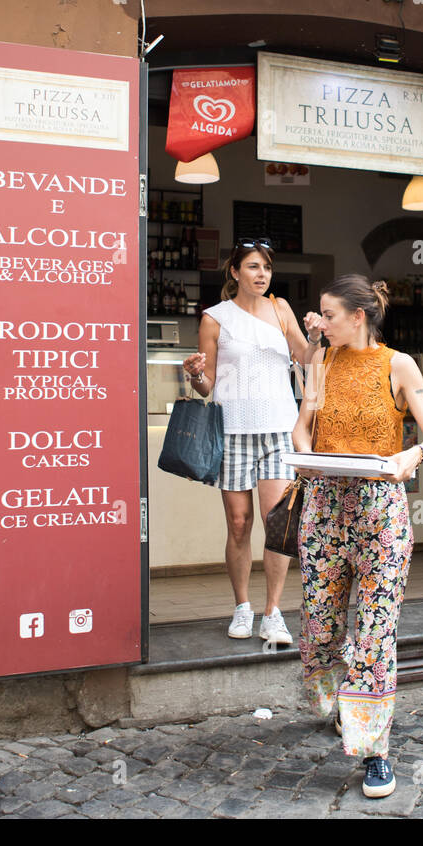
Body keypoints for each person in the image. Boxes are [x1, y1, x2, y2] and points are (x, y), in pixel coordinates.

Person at [291, 274, 423, 799]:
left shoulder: (398, 365)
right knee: (321, 629)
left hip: (381, 513)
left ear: (358, 316)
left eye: (328, 315)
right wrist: (303, 454)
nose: (321, 323)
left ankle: (374, 749)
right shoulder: (321, 362)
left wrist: (411, 456)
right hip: (325, 510)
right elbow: (301, 428)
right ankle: (339, 707)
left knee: (375, 633)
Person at [182, 239, 324, 645]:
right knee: (239, 524)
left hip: (279, 430)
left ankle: (273, 613)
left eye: (265, 267)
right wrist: (195, 374)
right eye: (252, 267)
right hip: (233, 430)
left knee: (276, 525)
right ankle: (242, 606)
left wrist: (314, 336)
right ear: (234, 272)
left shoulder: (281, 310)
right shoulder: (214, 318)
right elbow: (207, 385)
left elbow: (307, 358)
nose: (261, 274)